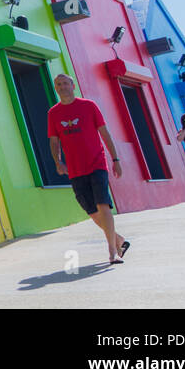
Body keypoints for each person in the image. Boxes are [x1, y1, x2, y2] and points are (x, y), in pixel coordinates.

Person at [47, 73, 129, 264]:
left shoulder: (88, 106)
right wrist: (58, 162)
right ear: (56, 88)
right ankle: (118, 240)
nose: (62, 86)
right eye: (58, 84)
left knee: (102, 205)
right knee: (92, 211)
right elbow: (54, 140)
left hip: (96, 163)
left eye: (65, 83)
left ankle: (112, 251)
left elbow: (104, 133)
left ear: (72, 85)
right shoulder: (53, 113)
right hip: (75, 170)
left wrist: (115, 159)